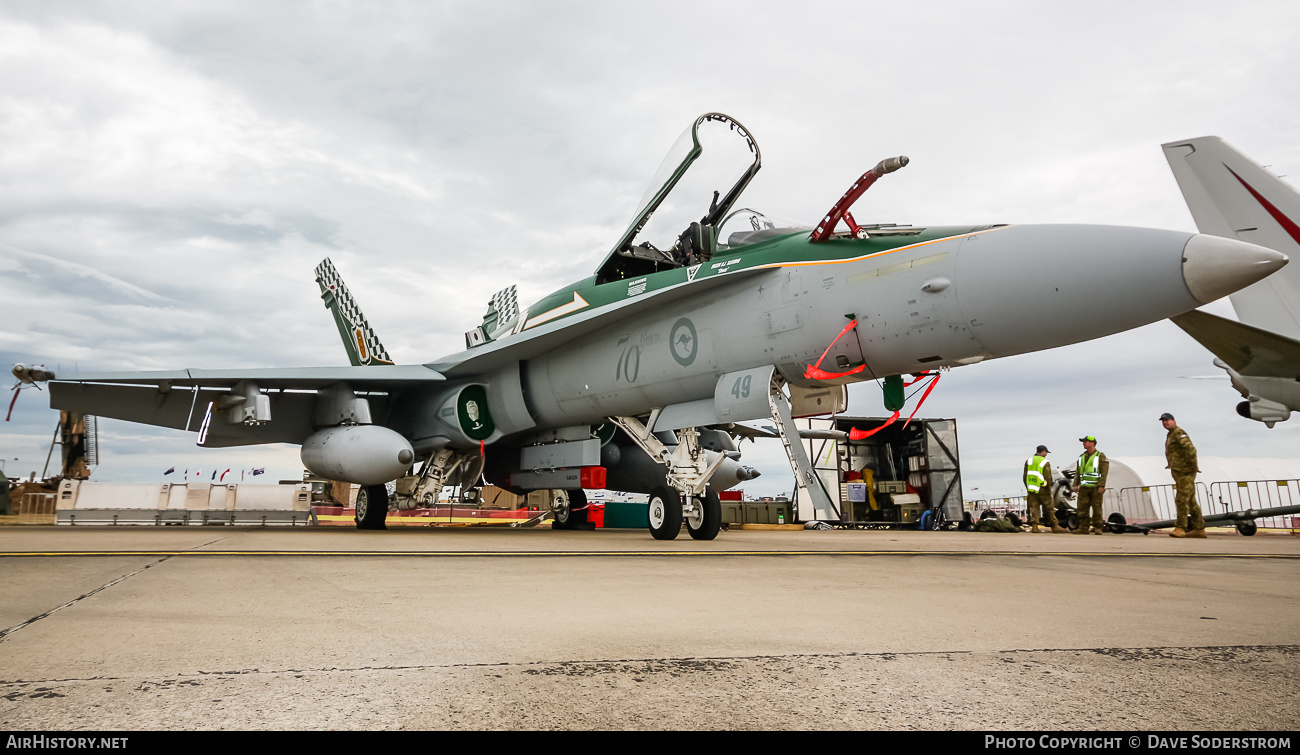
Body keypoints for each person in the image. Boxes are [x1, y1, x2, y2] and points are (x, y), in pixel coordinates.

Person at [1162, 412, 1206, 539]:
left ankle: (1180, 527)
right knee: (1191, 501)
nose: (1165, 423)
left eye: (1167, 420)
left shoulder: (1179, 433)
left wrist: (1193, 466)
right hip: (1179, 470)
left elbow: (1191, 450)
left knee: (1181, 499)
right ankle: (1199, 528)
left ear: (1174, 421)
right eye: (1163, 421)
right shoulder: (1171, 434)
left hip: (1185, 471)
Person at [1023, 445, 1066, 533]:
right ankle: (1054, 525)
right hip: (1043, 488)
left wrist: (1028, 487)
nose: (1046, 454)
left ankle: (1035, 526)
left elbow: (1025, 476)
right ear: (1043, 452)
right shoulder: (1045, 462)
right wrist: (1049, 487)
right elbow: (1047, 476)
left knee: (1034, 507)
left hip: (1031, 488)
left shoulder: (1029, 461)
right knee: (1049, 506)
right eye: (1046, 452)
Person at [1072, 436, 1108, 535]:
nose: (1083, 443)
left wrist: (1101, 485)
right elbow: (1078, 472)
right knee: (1082, 508)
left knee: (1097, 508)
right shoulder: (1081, 457)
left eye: (1085, 442)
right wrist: (1075, 484)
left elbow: (1104, 472)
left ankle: (1097, 527)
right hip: (1084, 488)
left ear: (1092, 443)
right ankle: (1083, 528)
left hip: (1095, 487)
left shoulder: (1100, 456)